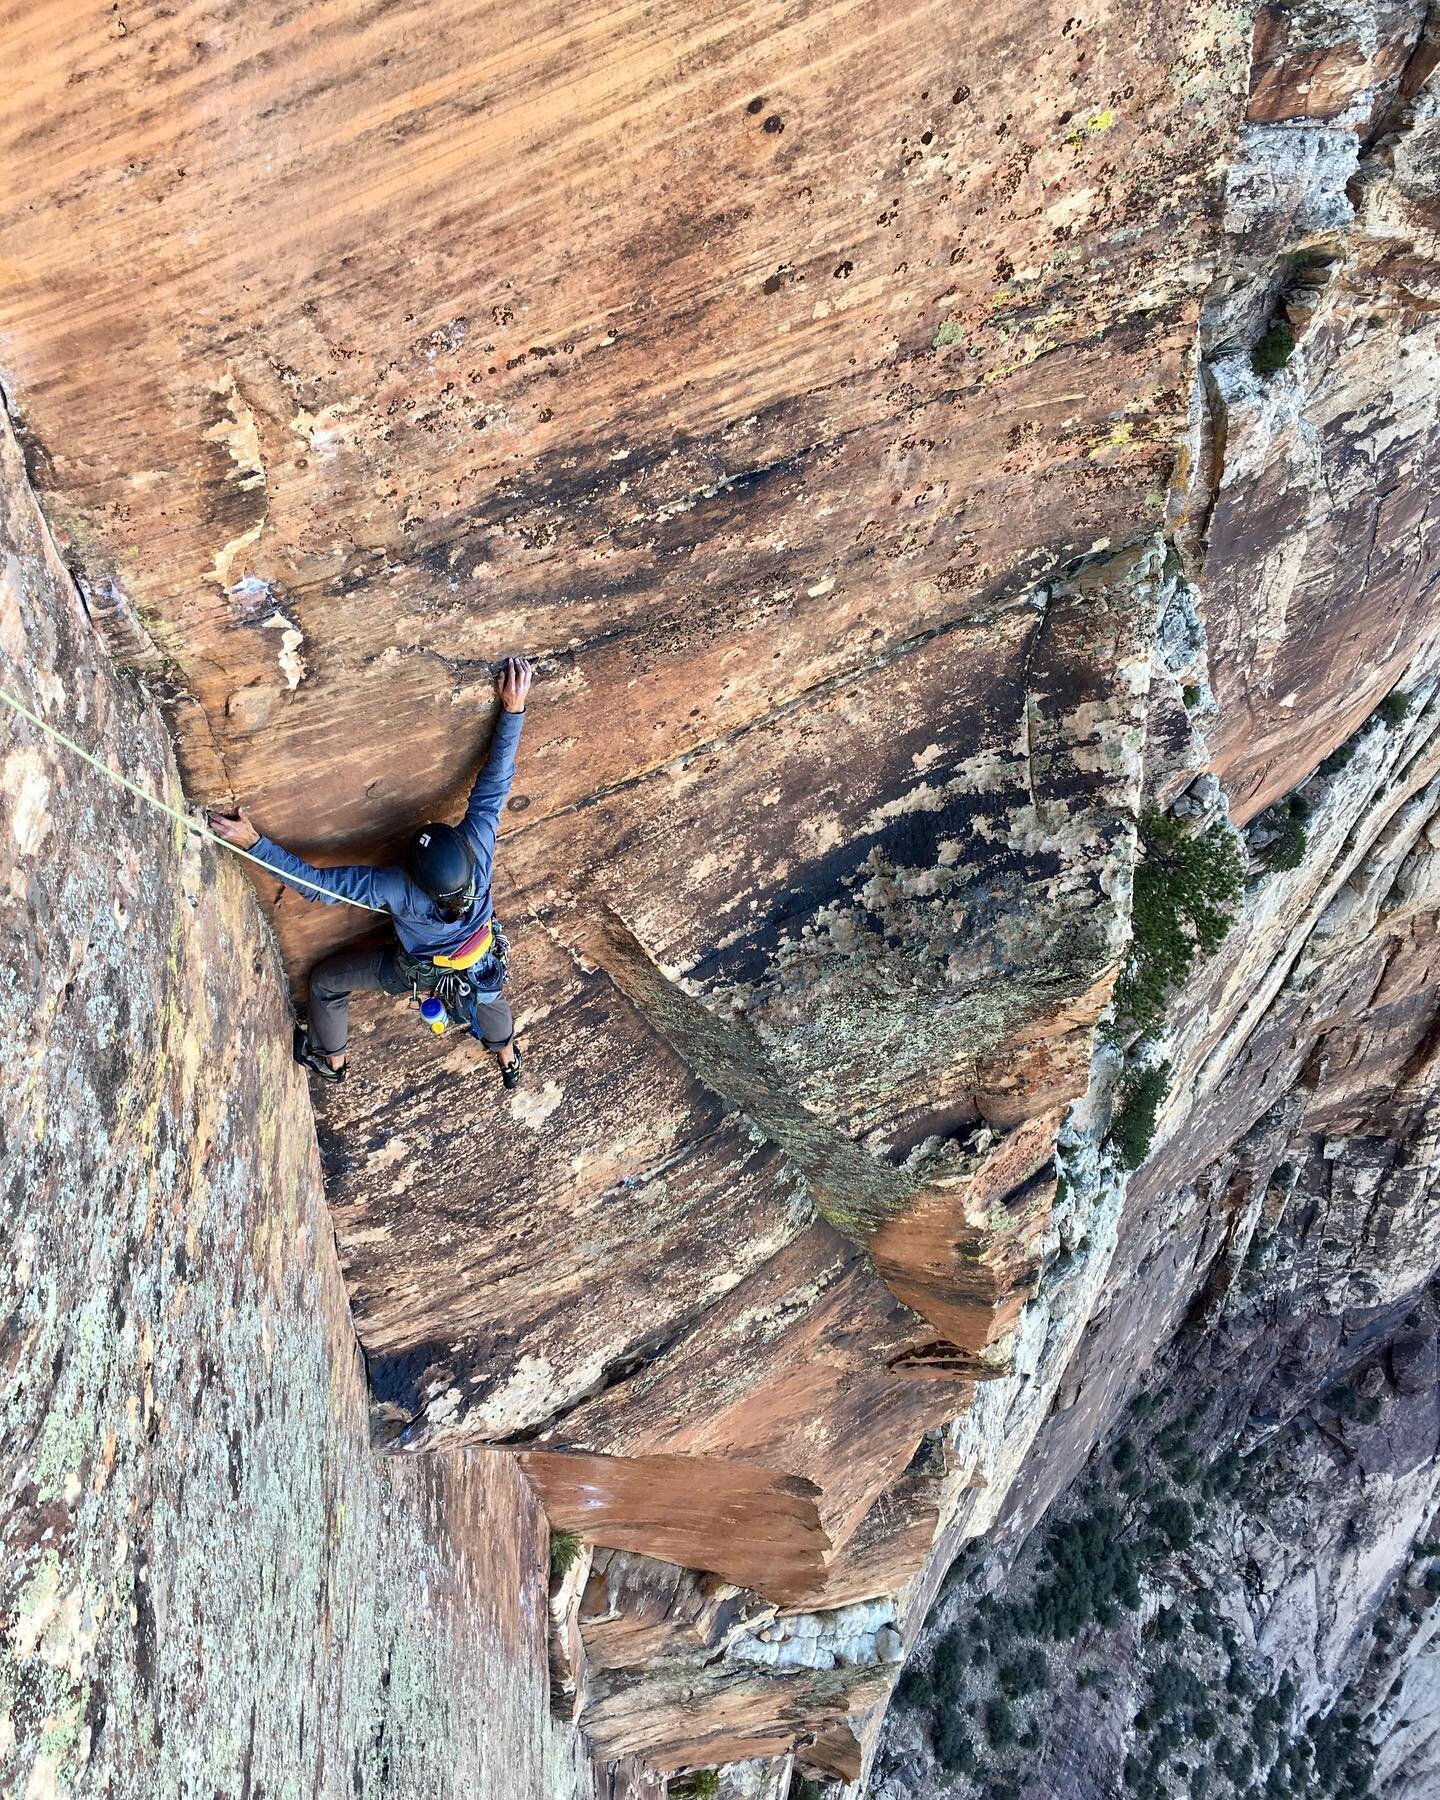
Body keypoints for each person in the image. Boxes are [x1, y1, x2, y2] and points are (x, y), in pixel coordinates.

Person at [209, 655, 532, 1088]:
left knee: (326, 982)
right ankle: (507, 1057)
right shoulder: (478, 845)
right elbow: (495, 784)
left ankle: (332, 1062)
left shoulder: (397, 887)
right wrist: (513, 708)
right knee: (486, 991)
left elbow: (319, 887)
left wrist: (255, 844)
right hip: (477, 958)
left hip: (415, 968)